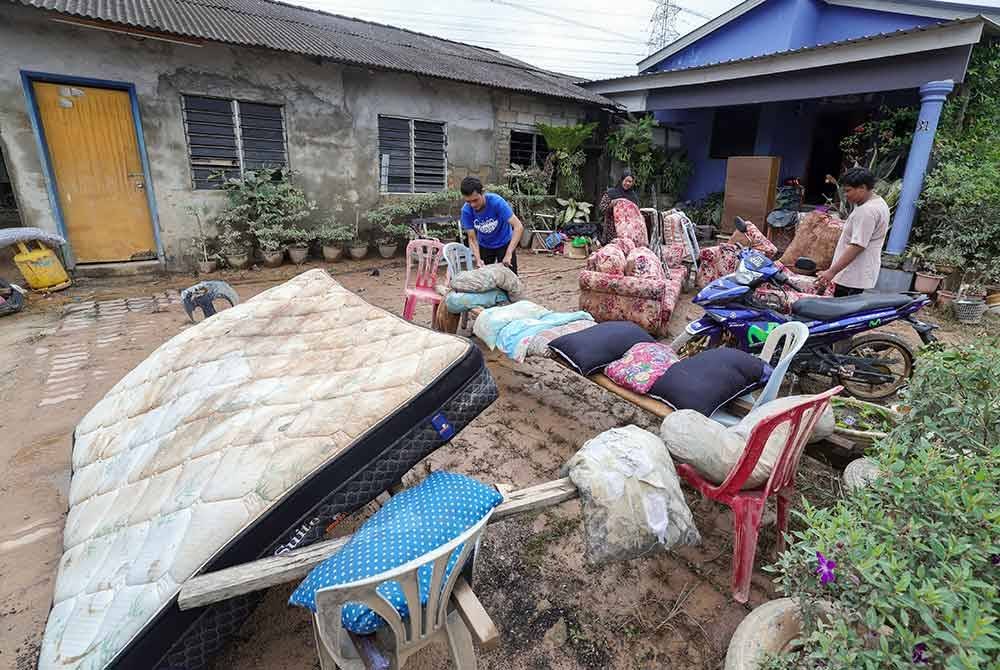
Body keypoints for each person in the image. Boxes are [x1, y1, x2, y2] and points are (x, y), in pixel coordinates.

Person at [817, 167, 890, 297]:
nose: (846, 195)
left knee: (840, 312)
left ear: (862, 187)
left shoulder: (866, 211)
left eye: (848, 191)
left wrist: (831, 272)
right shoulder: (879, 202)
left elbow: (857, 245)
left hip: (852, 275)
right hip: (858, 273)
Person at [460, 176, 524, 274]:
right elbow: (472, 238)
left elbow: (518, 227)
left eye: (475, 200)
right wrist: (478, 259)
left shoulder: (497, 203)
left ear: (483, 193)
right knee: (484, 278)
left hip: (504, 243)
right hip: (484, 245)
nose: (472, 205)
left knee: (510, 277)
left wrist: (509, 253)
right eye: (468, 201)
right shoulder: (466, 211)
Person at [598, 169, 639, 243]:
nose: (627, 183)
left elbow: (636, 214)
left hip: (627, 232)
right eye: (626, 180)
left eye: (630, 182)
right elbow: (601, 208)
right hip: (611, 230)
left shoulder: (633, 197)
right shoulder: (611, 193)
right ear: (622, 180)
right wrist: (611, 205)